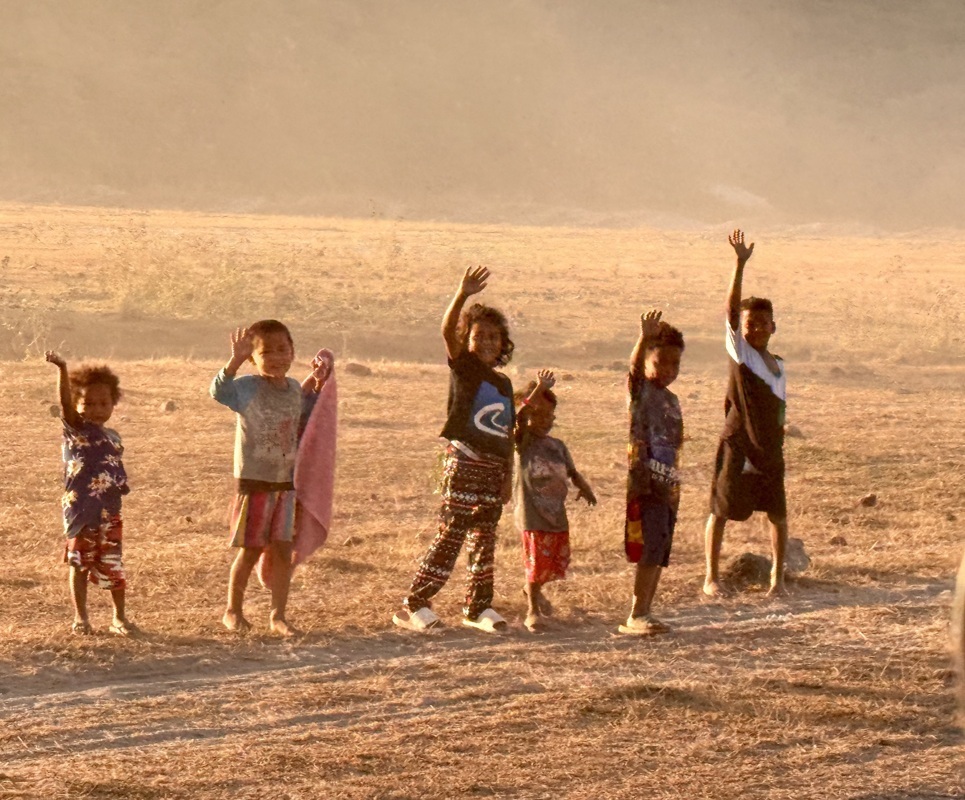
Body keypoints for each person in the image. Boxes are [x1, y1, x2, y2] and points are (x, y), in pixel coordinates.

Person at [394, 266, 515, 633]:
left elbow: (507, 433)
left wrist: (507, 477)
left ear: (504, 343)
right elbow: (446, 331)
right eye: (480, 336)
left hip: (492, 471)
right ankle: (414, 604)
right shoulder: (464, 368)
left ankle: (478, 608)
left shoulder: (504, 384)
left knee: (484, 538)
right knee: (452, 533)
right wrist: (462, 294)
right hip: (463, 461)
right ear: (468, 339)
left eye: (495, 337)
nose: (489, 343)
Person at [211, 320, 331, 636]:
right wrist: (234, 361)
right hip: (255, 483)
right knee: (249, 550)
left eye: (282, 349)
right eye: (266, 352)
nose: (276, 357)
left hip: (285, 484)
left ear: (293, 351)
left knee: (282, 551)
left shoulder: (292, 388)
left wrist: (317, 382)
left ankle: (278, 616)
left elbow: (306, 412)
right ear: (254, 357)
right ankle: (232, 611)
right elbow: (218, 391)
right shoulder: (247, 389)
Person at [703, 230, 789, 597]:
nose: (755, 328)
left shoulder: (780, 365)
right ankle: (711, 578)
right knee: (721, 509)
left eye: (762, 322)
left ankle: (777, 580)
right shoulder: (742, 354)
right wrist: (739, 264)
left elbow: (779, 409)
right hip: (738, 443)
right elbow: (730, 310)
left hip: (769, 449)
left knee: (778, 514)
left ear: (773, 326)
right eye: (749, 323)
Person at [46, 351, 133, 636]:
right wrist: (62, 369)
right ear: (77, 404)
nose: (97, 409)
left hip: (110, 511)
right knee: (79, 564)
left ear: (113, 403)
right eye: (89, 403)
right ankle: (81, 618)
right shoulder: (75, 429)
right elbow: (64, 402)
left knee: (113, 564)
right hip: (82, 511)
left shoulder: (114, 437)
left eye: (103, 403)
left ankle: (119, 618)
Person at [514, 370, 596, 632]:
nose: (544, 421)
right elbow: (518, 417)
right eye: (538, 415)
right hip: (532, 513)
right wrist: (538, 389)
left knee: (551, 563)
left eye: (549, 416)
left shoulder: (557, 445)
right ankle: (533, 611)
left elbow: (572, 472)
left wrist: (584, 488)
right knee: (537, 561)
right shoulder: (523, 442)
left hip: (555, 514)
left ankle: (531, 590)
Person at [620, 310, 685, 635]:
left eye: (675, 364)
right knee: (647, 547)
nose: (668, 371)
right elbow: (632, 369)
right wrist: (644, 337)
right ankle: (637, 613)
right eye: (661, 363)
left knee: (660, 546)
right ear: (647, 362)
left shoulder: (672, 400)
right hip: (645, 485)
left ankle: (647, 609)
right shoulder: (641, 391)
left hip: (668, 487)